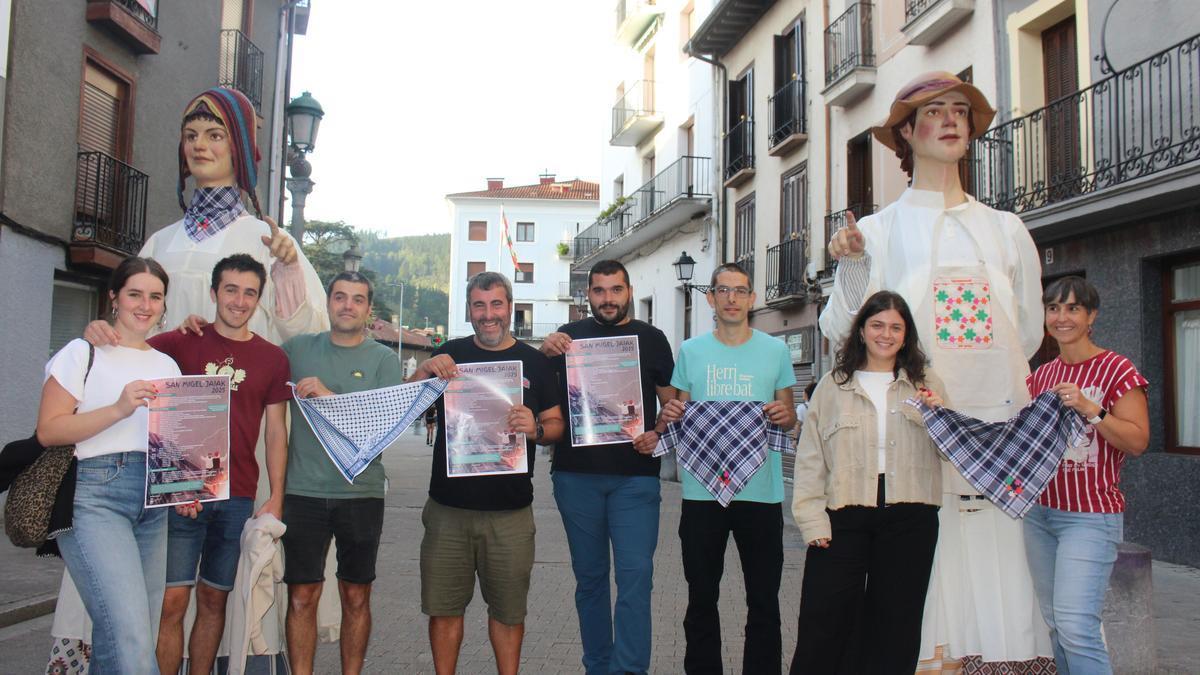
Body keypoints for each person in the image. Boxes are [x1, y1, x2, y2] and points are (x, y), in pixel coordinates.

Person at [821, 71, 1049, 670]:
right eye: (934, 111)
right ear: (906, 132)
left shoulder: (1006, 228)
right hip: (918, 435)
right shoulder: (876, 231)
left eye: (960, 111)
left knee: (1001, 556)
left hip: (1001, 427)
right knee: (924, 567)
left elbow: (1025, 331)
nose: (951, 120)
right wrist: (849, 269)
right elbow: (844, 330)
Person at [82, 254, 292, 674]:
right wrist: (95, 330)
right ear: (214, 293)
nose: (239, 300)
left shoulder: (273, 358)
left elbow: (275, 432)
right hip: (180, 493)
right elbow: (126, 345)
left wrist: (277, 498)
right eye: (230, 290)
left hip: (237, 495)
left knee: (215, 599)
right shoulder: (180, 342)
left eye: (249, 292)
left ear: (259, 300)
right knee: (172, 601)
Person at [412, 271, 564, 675]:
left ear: (509, 307)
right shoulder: (451, 354)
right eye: (479, 305)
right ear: (469, 309)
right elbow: (404, 403)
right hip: (448, 510)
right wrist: (425, 368)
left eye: (496, 304)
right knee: (443, 611)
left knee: (509, 614)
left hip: (510, 514)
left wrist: (537, 430)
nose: (488, 314)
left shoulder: (535, 362)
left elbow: (556, 425)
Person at [38, 257, 182, 674]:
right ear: (114, 297)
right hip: (94, 499)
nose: (145, 304)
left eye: (155, 297)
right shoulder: (82, 352)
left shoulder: (166, 366)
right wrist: (119, 408)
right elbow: (49, 430)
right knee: (132, 638)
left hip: (153, 506)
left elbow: (171, 447)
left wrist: (187, 488)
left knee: (121, 635)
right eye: (135, 293)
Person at [790, 291, 947, 673]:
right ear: (861, 330)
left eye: (896, 327)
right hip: (844, 513)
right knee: (824, 620)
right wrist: (812, 520)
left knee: (896, 625)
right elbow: (811, 457)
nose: (886, 334)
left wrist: (939, 415)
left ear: (906, 334)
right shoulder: (833, 385)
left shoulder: (925, 383)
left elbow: (949, 450)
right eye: (877, 325)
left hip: (910, 516)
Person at [539, 259, 676, 675]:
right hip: (575, 477)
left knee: (636, 578)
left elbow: (672, 404)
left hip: (635, 479)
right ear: (588, 295)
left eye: (615, 290)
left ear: (629, 291)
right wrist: (543, 353)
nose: (608, 299)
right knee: (591, 580)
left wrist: (658, 432)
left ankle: (630, 669)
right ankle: (598, 667)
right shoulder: (566, 341)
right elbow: (540, 396)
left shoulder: (652, 339)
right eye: (599, 291)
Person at [660, 262, 797, 675]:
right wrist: (668, 413)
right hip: (702, 494)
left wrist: (782, 415)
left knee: (764, 600)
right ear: (711, 298)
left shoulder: (775, 351)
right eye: (723, 291)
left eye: (740, 291)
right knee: (701, 597)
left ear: (752, 298)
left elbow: (789, 415)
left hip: (762, 493)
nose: (732, 298)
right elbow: (678, 413)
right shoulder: (691, 351)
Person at [1024, 276, 1150, 673]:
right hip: (1039, 514)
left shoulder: (1117, 368)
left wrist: (1090, 409)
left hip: (1090, 516)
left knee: (1077, 626)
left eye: (1073, 308)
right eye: (1054, 308)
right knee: (1057, 624)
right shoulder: (1040, 376)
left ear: (1091, 316)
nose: (1062, 317)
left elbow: (1137, 440)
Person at [281, 271, 400, 675]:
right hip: (302, 492)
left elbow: (381, 430)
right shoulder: (298, 349)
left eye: (358, 299)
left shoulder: (384, 360)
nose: (348, 305)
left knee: (356, 595)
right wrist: (193, 328)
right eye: (340, 297)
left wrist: (330, 397)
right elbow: (249, 356)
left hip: (361, 494)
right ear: (328, 302)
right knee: (301, 596)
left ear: (369, 309)